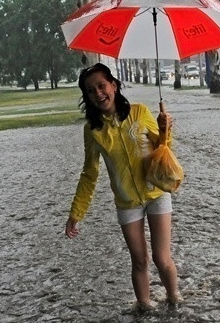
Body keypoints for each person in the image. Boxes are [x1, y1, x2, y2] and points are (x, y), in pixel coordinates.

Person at [64, 63, 181, 310]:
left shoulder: (139, 113)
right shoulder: (93, 131)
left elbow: (163, 149)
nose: (98, 93)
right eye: (91, 90)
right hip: (127, 201)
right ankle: (144, 308)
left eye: (102, 86)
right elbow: (89, 174)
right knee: (139, 260)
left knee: (161, 258)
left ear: (114, 86)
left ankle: (174, 301)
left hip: (156, 192)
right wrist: (76, 213)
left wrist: (164, 129)